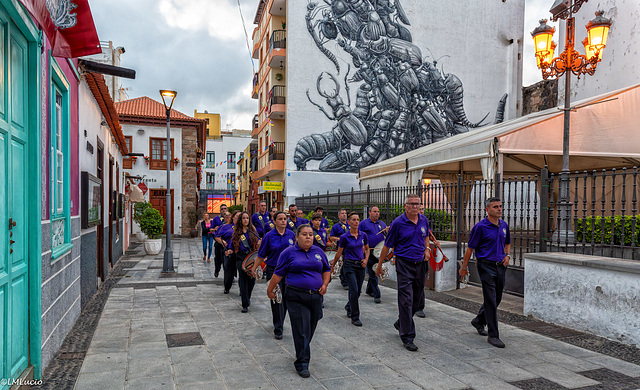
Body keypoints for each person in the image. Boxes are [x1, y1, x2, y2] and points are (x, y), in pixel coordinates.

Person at [267, 225, 330, 378]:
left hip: (315, 296)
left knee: (310, 328)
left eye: (310, 234)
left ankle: (301, 349)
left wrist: (325, 284)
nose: (308, 237)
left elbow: (326, 269)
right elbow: (278, 273)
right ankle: (302, 363)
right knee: (301, 328)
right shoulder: (288, 253)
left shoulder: (318, 251)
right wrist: (270, 289)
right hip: (296, 296)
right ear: (297, 237)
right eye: (304, 234)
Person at [375, 194, 430, 351]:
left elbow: (426, 236)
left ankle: (401, 322)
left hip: (420, 264)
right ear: (405, 206)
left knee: (417, 300)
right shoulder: (398, 223)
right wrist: (379, 265)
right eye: (412, 204)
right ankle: (407, 336)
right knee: (406, 299)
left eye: (417, 204)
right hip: (404, 263)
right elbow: (387, 245)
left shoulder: (423, 220)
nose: (415, 207)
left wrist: (427, 249)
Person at [459, 197, 511, 348]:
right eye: (495, 207)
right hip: (485, 265)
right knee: (490, 298)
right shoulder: (480, 227)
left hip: (500, 265)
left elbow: (507, 243)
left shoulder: (504, 225)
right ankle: (493, 335)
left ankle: (479, 320)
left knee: (497, 298)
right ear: (487, 209)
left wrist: (507, 255)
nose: (499, 209)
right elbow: (470, 249)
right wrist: (464, 267)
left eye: (500, 206)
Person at [252, 211, 295, 339]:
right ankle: (278, 327)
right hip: (274, 270)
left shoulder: (291, 234)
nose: (283, 221)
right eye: (280, 219)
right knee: (276, 298)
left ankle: (280, 320)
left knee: (286, 298)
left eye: (285, 219)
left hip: (289, 272)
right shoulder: (269, 236)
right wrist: (254, 268)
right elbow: (261, 254)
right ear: (274, 221)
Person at [332, 212, 369, 326]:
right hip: (349, 265)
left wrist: (366, 259)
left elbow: (367, 249)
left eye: (358, 219)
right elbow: (339, 253)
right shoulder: (344, 237)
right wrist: (333, 265)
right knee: (353, 289)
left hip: (360, 265)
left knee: (358, 291)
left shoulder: (363, 235)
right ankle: (355, 316)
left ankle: (349, 306)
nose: (356, 222)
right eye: (353, 220)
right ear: (348, 222)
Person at [226, 211, 260, 313]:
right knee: (243, 280)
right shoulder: (237, 233)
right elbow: (231, 246)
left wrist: (260, 243)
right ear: (240, 220)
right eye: (243, 218)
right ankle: (244, 304)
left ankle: (247, 297)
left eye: (247, 218)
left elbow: (258, 244)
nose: (245, 220)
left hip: (252, 258)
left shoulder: (252, 230)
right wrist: (229, 250)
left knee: (252, 280)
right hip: (241, 258)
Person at [359, 206, 389, 303]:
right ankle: (377, 294)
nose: (377, 213)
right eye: (374, 211)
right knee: (373, 272)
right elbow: (359, 236)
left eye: (378, 211)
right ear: (369, 212)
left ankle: (369, 290)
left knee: (374, 272)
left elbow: (387, 235)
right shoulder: (364, 223)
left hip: (379, 251)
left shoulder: (381, 223)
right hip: (370, 251)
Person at [216, 210, 240, 294]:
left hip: (241, 252)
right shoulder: (226, 226)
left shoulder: (245, 228)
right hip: (229, 251)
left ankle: (243, 290)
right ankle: (227, 286)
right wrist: (223, 242)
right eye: (237, 217)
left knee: (242, 272)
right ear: (233, 217)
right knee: (229, 270)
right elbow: (217, 236)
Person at [330, 209, 350, 289]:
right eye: (342, 213)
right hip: (342, 246)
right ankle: (344, 281)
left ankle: (344, 277)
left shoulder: (350, 224)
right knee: (344, 263)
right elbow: (331, 237)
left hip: (350, 246)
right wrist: (339, 239)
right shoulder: (336, 226)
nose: (344, 215)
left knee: (346, 263)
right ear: (339, 216)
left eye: (345, 213)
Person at [211, 204, 228, 277]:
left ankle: (228, 275)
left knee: (227, 260)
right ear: (220, 210)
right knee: (218, 259)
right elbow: (211, 229)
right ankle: (217, 270)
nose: (223, 210)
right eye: (222, 209)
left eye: (225, 208)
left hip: (227, 243)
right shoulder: (216, 219)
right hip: (218, 242)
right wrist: (215, 229)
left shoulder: (230, 219)